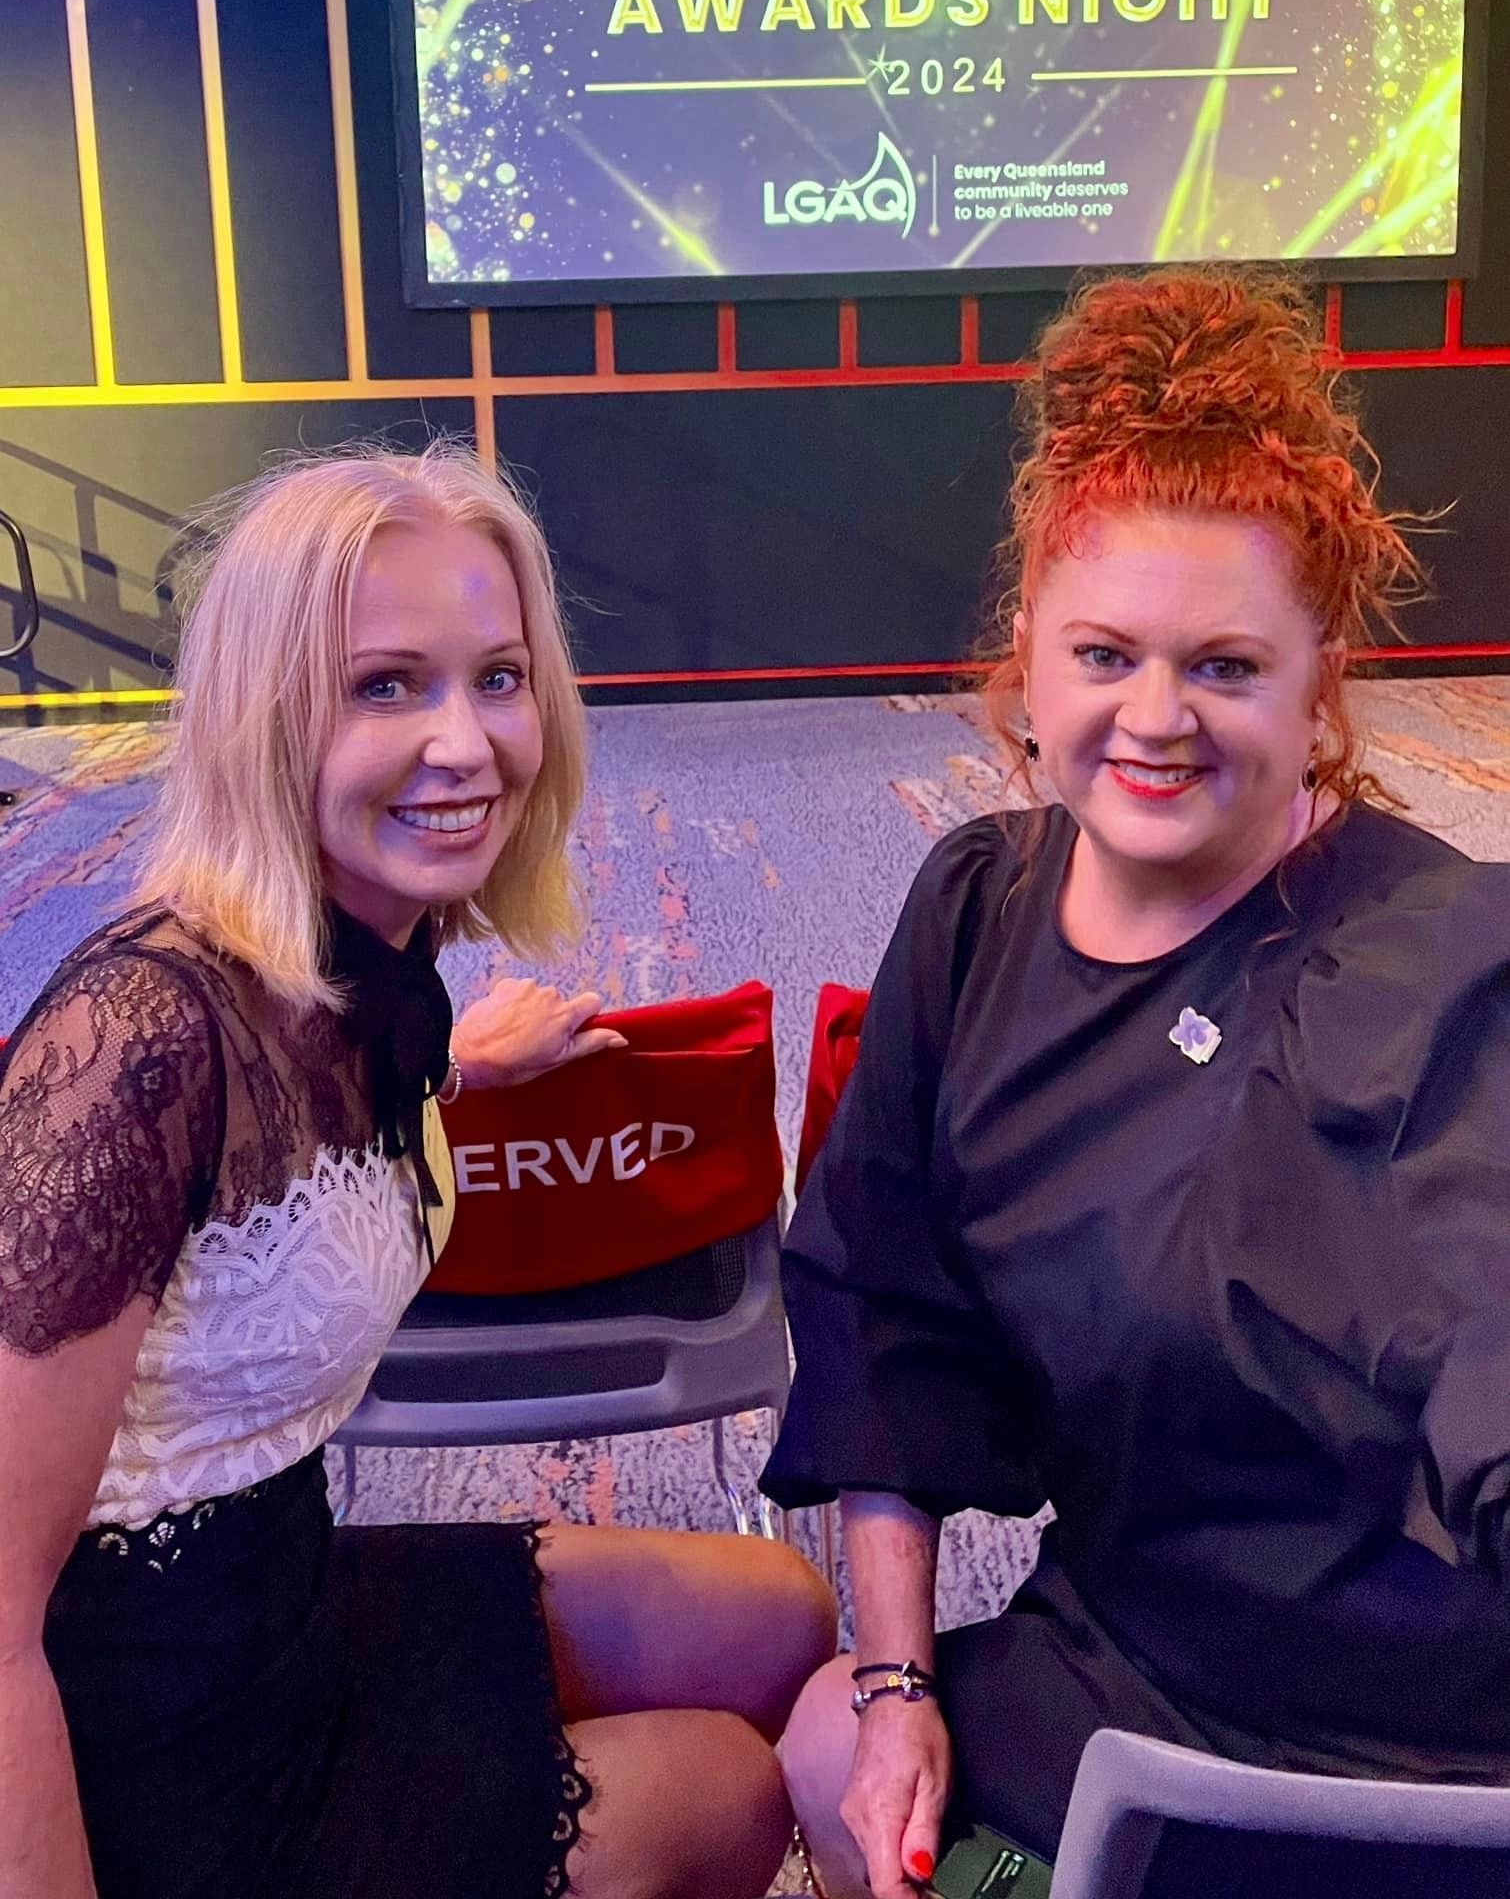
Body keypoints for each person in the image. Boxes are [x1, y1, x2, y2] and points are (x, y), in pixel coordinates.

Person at [762, 269, 1510, 1898]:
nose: (1152, 720)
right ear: (1027, 660)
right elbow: (882, 1311)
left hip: (1400, 1736)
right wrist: (894, 1685)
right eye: (1103, 654)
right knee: (824, 1740)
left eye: (1224, 668)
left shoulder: (1436, 962)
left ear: (1318, 683)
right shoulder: (975, 909)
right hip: (1131, 1645)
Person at [0, 443, 835, 1899]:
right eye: (386, 686)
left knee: (782, 1612)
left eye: (498, 678)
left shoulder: (370, 968)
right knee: (727, 1793)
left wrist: (457, 1071)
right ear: (266, 715)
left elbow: (262, 1178)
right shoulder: (135, 1043)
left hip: (289, 1589)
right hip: (160, 1738)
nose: (468, 744)